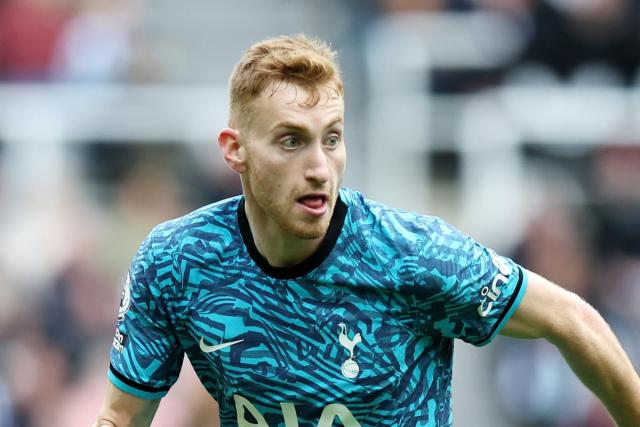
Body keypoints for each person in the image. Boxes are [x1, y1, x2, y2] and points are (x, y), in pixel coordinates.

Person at [93, 34, 640, 427]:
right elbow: (122, 415)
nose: (318, 166)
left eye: (331, 138)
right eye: (290, 141)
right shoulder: (175, 262)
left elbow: (575, 320)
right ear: (234, 151)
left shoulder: (414, 255)